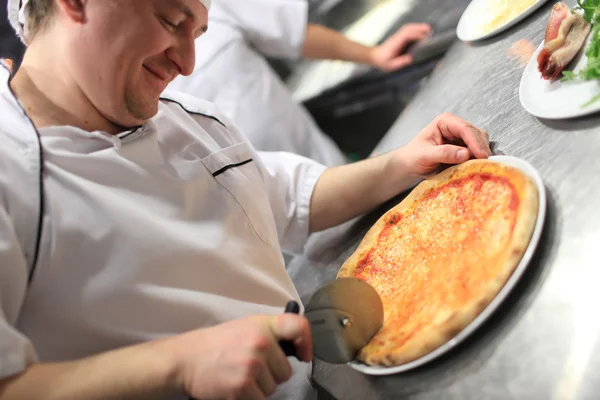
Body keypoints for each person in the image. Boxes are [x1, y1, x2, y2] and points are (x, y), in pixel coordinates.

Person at [0, 0, 491, 399]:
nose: (187, 63)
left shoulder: (184, 118)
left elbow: (287, 197)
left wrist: (400, 163)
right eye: (172, 21)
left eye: (197, 33)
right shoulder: (8, 163)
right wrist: (180, 365)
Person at [168, 0, 432, 166]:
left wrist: (373, 54)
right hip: (263, 229)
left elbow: (290, 31)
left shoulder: (210, 4)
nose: (185, 64)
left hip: (321, 166)